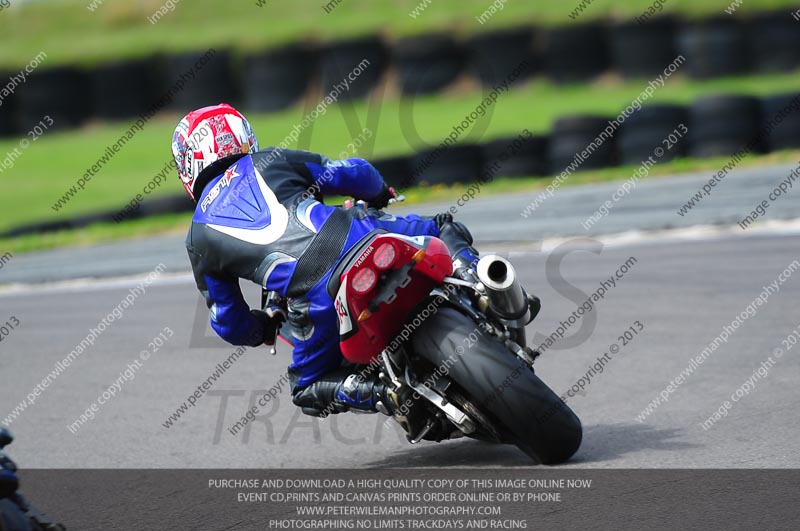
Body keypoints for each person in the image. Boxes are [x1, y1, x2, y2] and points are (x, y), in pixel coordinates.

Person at [173, 103, 478, 417]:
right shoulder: (272, 161)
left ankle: (385, 392)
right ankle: (479, 279)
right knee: (441, 226)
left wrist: (263, 328)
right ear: (243, 136)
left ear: (187, 165)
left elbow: (228, 322)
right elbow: (355, 173)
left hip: (316, 296)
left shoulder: (198, 236)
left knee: (306, 388)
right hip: (364, 235)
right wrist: (378, 195)